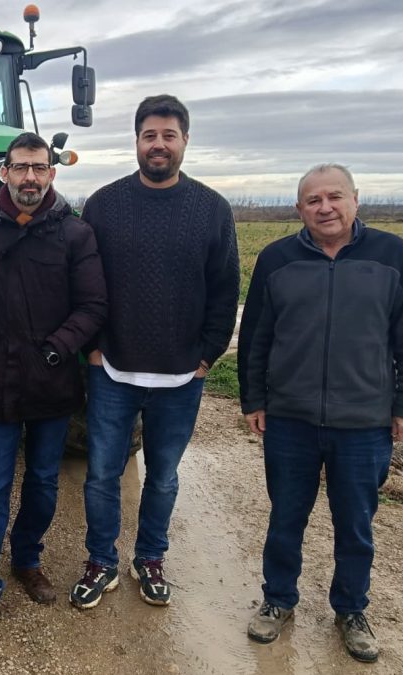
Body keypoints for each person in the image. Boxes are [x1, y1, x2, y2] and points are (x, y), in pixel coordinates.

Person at [237, 164, 403, 663]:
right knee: (286, 517)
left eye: (335, 197)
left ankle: (351, 609)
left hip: (364, 422)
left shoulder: (392, 255)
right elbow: (256, 337)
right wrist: (254, 399)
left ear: (355, 200)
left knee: (356, 524)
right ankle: (278, 599)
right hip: (290, 419)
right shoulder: (277, 259)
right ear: (299, 209)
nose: (325, 208)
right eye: (313, 200)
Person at [70, 95, 240, 610]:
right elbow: (84, 282)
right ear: (137, 142)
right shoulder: (104, 204)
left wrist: (207, 356)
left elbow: (225, 290)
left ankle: (149, 558)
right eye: (150, 136)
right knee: (102, 475)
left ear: (185, 140)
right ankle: (101, 560)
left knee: (163, 478)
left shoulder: (212, 209)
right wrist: (93, 348)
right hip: (112, 370)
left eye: (169, 135)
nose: (158, 144)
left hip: (180, 377)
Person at [0, 132, 108, 639]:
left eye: (38, 168)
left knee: (43, 482)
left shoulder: (75, 234)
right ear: (5, 172)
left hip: (52, 381)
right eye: (20, 167)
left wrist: (57, 347)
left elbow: (93, 305)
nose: (29, 177)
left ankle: (27, 559)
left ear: (51, 173)